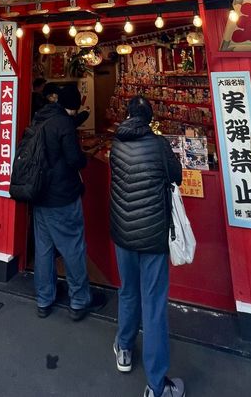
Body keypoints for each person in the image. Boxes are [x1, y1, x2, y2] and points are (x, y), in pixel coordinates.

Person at [109, 96, 184, 397]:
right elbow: (176, 176)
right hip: (153, 235)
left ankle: (124, 348)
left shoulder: (116, 145)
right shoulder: (159, 145)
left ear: (127, 115)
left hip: (123, 233)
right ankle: (156, 384)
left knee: (128, 290)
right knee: (153, 304)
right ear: (150, 117)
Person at [31, 82, 104, 320]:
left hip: (39, 194)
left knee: (44, 249)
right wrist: (85, 159)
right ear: (72, 106)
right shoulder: (64, 124)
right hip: (62, 196)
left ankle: (44, 299)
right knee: (72, 247)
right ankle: (80, 300)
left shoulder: (40, 118)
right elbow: (74, 160)